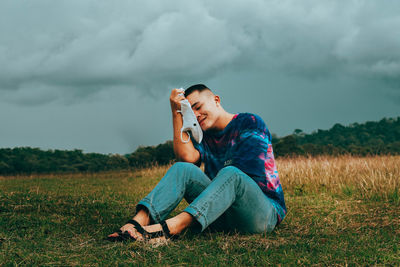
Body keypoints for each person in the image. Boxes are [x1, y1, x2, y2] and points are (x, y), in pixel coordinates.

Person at [108, 84, 286, 244]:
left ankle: (171, 229)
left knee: (232, 173)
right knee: (182, 168)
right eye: (190, 113)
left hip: (261, 214)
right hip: (220, 213)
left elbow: (242, 177)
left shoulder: (249, 122)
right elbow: (186, 159)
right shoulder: (204, 135)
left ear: (216, 100)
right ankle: (137, 223)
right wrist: (176, 112)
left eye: (198, 107)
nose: (196, 115)